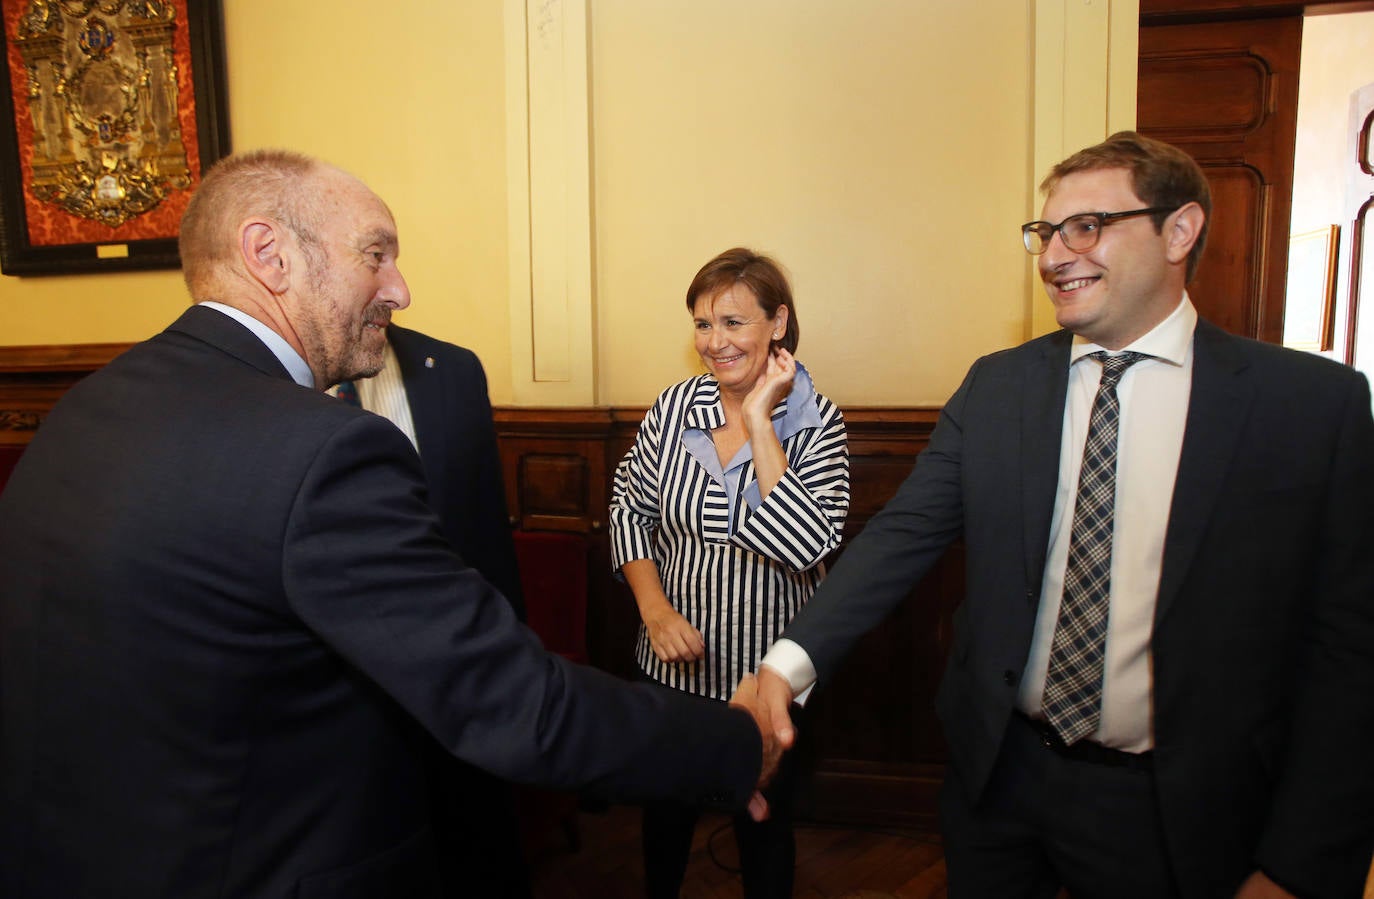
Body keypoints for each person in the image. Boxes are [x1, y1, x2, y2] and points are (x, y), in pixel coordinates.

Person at [0, 149, 779, 898]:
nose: (399, 288)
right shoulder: (320, 448)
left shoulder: (89, 407)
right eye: (375, 255)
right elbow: (508, 698)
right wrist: (734, 743)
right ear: (269, 255)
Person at [756, 132, 1374, 899]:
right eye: (1046, 233)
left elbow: (1349, 653)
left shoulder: (1312, 408)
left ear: (1179, 230)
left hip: (1180, 806)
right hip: (1000, 779)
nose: (1053, 256)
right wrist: (785, 666)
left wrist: (1298, 864)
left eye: (1087, 227)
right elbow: (900, 536)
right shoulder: (999, 387)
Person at [610, 248, 850, 898]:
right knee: (664, 819)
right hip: (671, 667)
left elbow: (805, 544)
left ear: (778, 322)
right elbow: (627, 506)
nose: (715, 343)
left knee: (764, 828)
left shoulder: (816, 420)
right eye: (702, 324)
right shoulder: (673, 408)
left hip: (767, 675)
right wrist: (654, 610)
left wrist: (759, 421)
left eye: (733, 323)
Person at [333, 326, 532, 898]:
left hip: (463, 677)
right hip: (344, 699)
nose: (399, 286)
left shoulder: (451, 370)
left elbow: (487, 530)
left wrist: (512, 655)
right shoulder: (254, 384)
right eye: (374, 255)